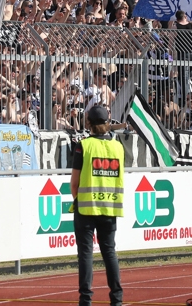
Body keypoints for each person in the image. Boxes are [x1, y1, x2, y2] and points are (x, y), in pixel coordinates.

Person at [70, 104, 124, 306]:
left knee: (85, 253)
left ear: (88, 123)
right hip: (110, 208)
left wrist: (79, 198)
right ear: (107, 124)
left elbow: (74, 183)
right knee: (109, 252)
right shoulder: (117, 147)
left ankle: (85, 300)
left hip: (85, 207)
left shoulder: (83, 145)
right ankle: (117, 299)